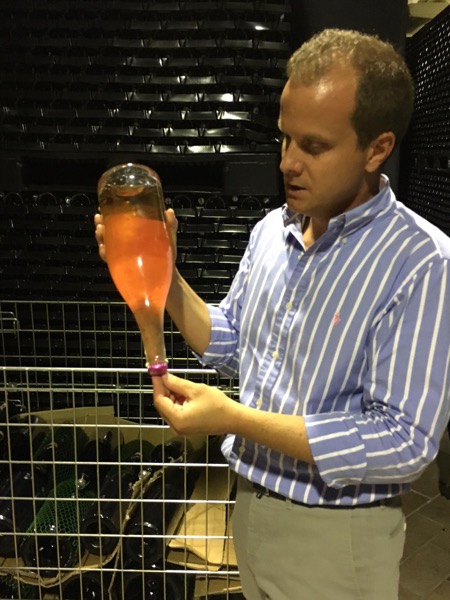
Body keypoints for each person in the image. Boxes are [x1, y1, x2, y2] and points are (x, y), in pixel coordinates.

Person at [95, 29, 450, 600]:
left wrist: (235, 420)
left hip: (336, 539)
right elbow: (235, 343)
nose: (288, 162)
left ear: (377, 148)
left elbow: (404, 441)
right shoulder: (270, 231)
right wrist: (163, 274)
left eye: (313, 146)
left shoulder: (421, 261)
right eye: (284, 139)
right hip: (251, 513)